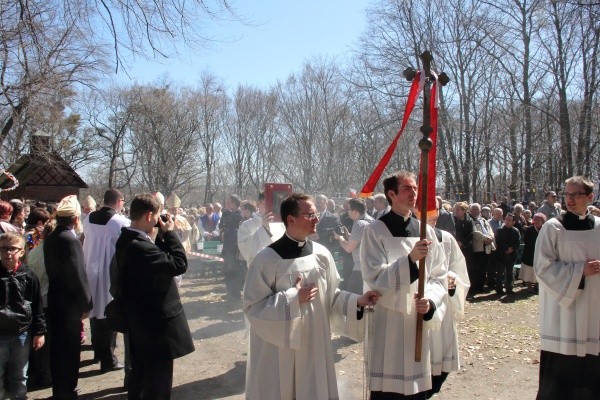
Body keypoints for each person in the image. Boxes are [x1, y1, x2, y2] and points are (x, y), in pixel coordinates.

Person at [243, 193, 380, 400]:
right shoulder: (266, 259)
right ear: (290, 219)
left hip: (315, 341)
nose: (317, 220)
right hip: (281, 349)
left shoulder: (321, 254)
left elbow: (331, 296)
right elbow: (253, 307)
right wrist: (293, 298)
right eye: (310, 215)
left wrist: (356, 301)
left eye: (316, 214)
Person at [361, 171, 447, 399]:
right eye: (407, 189)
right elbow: (374, 277)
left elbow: (439, 274)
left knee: (417, 387)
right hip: (389, 322)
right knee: (390, 387)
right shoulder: (375, 231)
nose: (414, 193)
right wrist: (409, 261)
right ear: (392, 194)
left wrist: (430, 301)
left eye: (415, 188)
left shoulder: (425, 231)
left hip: (417, 318)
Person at [114, 193, 194, 400]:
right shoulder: (139, 247)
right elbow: (178, 264)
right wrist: (169, 234)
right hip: (154, 327)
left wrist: (160, 236)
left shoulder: (128, 240)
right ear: (150, 215)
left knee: (141, 376)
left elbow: (157, 261)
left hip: (141, 322)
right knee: (157, 383)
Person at [534, 176, 600, 399]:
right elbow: (542, 268)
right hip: (563, 316)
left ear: (590, 197)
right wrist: (580, 271)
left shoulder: (599, 227)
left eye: (575, 194)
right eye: (567, 194)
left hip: (594, 311)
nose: (569, 199)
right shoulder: (554, 228)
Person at [44, 195, 93, 400]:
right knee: (70, 349)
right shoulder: (70, 240)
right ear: (75, 218)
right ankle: (68, 390)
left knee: (57, 348)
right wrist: (87, 302)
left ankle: (59, 388)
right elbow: (78, 275)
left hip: (55, 299)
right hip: (70, 304)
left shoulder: (51, 238)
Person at [421, 209, 470, 399]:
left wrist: (453, 282)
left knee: (441, 363)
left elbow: (459, 269)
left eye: (436, 209)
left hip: (442, 305)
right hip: (416, 307)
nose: (432, 213)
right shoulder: (406, 236)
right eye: (428, 208)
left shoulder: (446, 238)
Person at [82, 188, 129, 373]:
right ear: (118, 201)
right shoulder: (119, 222)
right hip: (109, 272)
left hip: (90, 270)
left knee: (94, 311)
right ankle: (108, 359)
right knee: (109, 312)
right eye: (123, 201)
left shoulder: (88, 218)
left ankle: (98, 352)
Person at [0, 232, 45, 400]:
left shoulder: (29, 275)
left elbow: (37, 305)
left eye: (13, 249)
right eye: (4, 248)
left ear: (21, 251)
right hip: (1, 333)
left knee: (20, 376)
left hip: (22, 333)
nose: (8, 253)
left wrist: (39, 332)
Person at [333, 198, 373, 293]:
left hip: (360, 269)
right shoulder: (371, 220)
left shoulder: (359, 223)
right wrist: (350, 236)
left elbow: (348, 248)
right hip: (370, 268)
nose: (347, 212)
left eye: (348, 209)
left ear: (355, 211)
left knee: (351, 299)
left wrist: (340, 238)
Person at [237, 192, 284, 267]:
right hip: (258, 270)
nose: (269, 207)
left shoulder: (280, 224)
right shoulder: (246, 225)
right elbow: (246, 251)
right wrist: (264, 228)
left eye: (272, 204)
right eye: (266, 204)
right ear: (258, 204)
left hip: (279, 270)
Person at [219, 195, 244, 301]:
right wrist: (222, 232)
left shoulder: (240, 214)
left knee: (235, 269)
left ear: (236, 203)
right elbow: (221, 225)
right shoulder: (225, 213)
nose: (228, 204)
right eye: (227, 202)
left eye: (230, 202)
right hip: (226, 245)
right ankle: (230, 291)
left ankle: (236, 293)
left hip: (236, 247)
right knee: (227, 269)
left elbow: (241, 229)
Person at [469, 203, 495, 293]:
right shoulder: (470, 220)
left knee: (484, 269)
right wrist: (486, 238)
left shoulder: (483, 220)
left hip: (487, 247)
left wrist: (491, 237)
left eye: (477, 209)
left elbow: (490, 230)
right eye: (474, 209)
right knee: (477, 268)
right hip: (478, 247)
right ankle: (474, 287)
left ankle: (481, 287)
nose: (476, 211)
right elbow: (475, 233)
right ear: (470, 210)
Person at [493, 213, 521, 295]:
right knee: (500, 273)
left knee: (509, 272)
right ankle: (499, 289)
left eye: (510, 220)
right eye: (506, 220)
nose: (507, 222)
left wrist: (512, 248)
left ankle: (509, 288)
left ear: (513, 222)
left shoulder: (516, 231)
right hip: (501, 255)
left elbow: (517, 242)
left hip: (511, 255)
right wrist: (505, 249)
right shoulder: (500, 230)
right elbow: (498, 241)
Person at [519, 213, 546, 293]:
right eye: (536, 219)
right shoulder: (529, 229)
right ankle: (529, 287)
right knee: (529, 270)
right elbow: (527, 241)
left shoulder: (544, 229)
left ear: (543, 221)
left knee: (540, 269)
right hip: (530, 253)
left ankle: (538, 286)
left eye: (539, 220)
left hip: (541, 253)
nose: (537, 221)